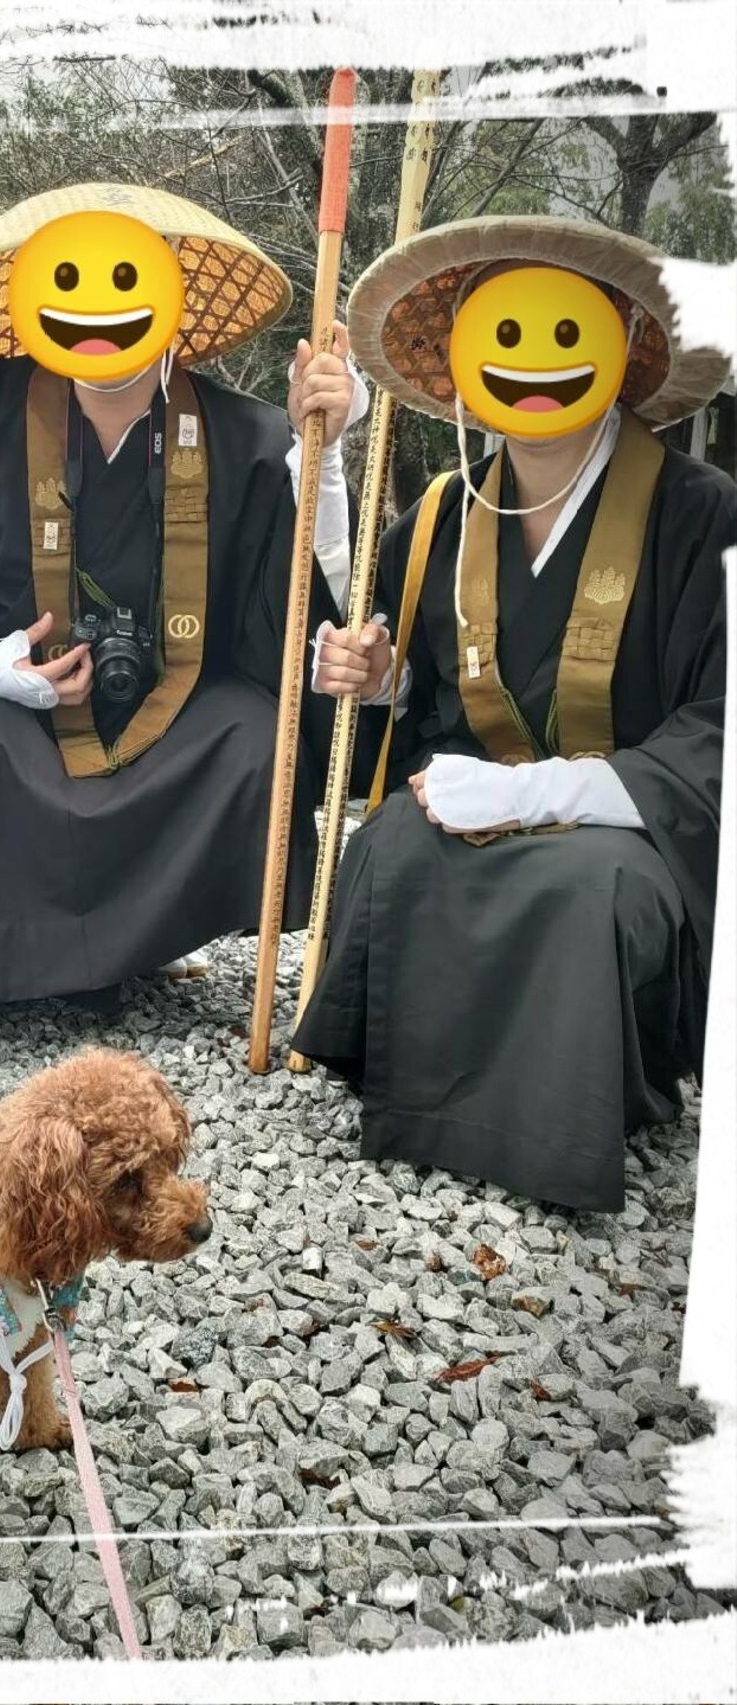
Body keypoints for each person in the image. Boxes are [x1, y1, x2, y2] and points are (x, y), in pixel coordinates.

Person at [297, 215, 733, 1211]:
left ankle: (557, 1121)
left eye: (563, 330)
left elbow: (721, 727)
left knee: (591, 890)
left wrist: (542, 793)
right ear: (460, 360)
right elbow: (420, 691)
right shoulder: (441, 516)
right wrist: (378, 679)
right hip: (477, 790)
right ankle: (421, 1095)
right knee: (394, 845)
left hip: (630, 826)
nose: (534, 361)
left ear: (621, 346)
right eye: (505, 333)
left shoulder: (702, 512)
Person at [0, 182, 367, 1009]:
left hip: (172, 725)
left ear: (175, 300)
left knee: (254, 742)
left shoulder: (246, 436)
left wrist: (325, 452)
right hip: (12, 719)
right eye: (71, 281)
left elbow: (297, 612)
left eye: (128, 280)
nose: (99, 310)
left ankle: (147, 937)